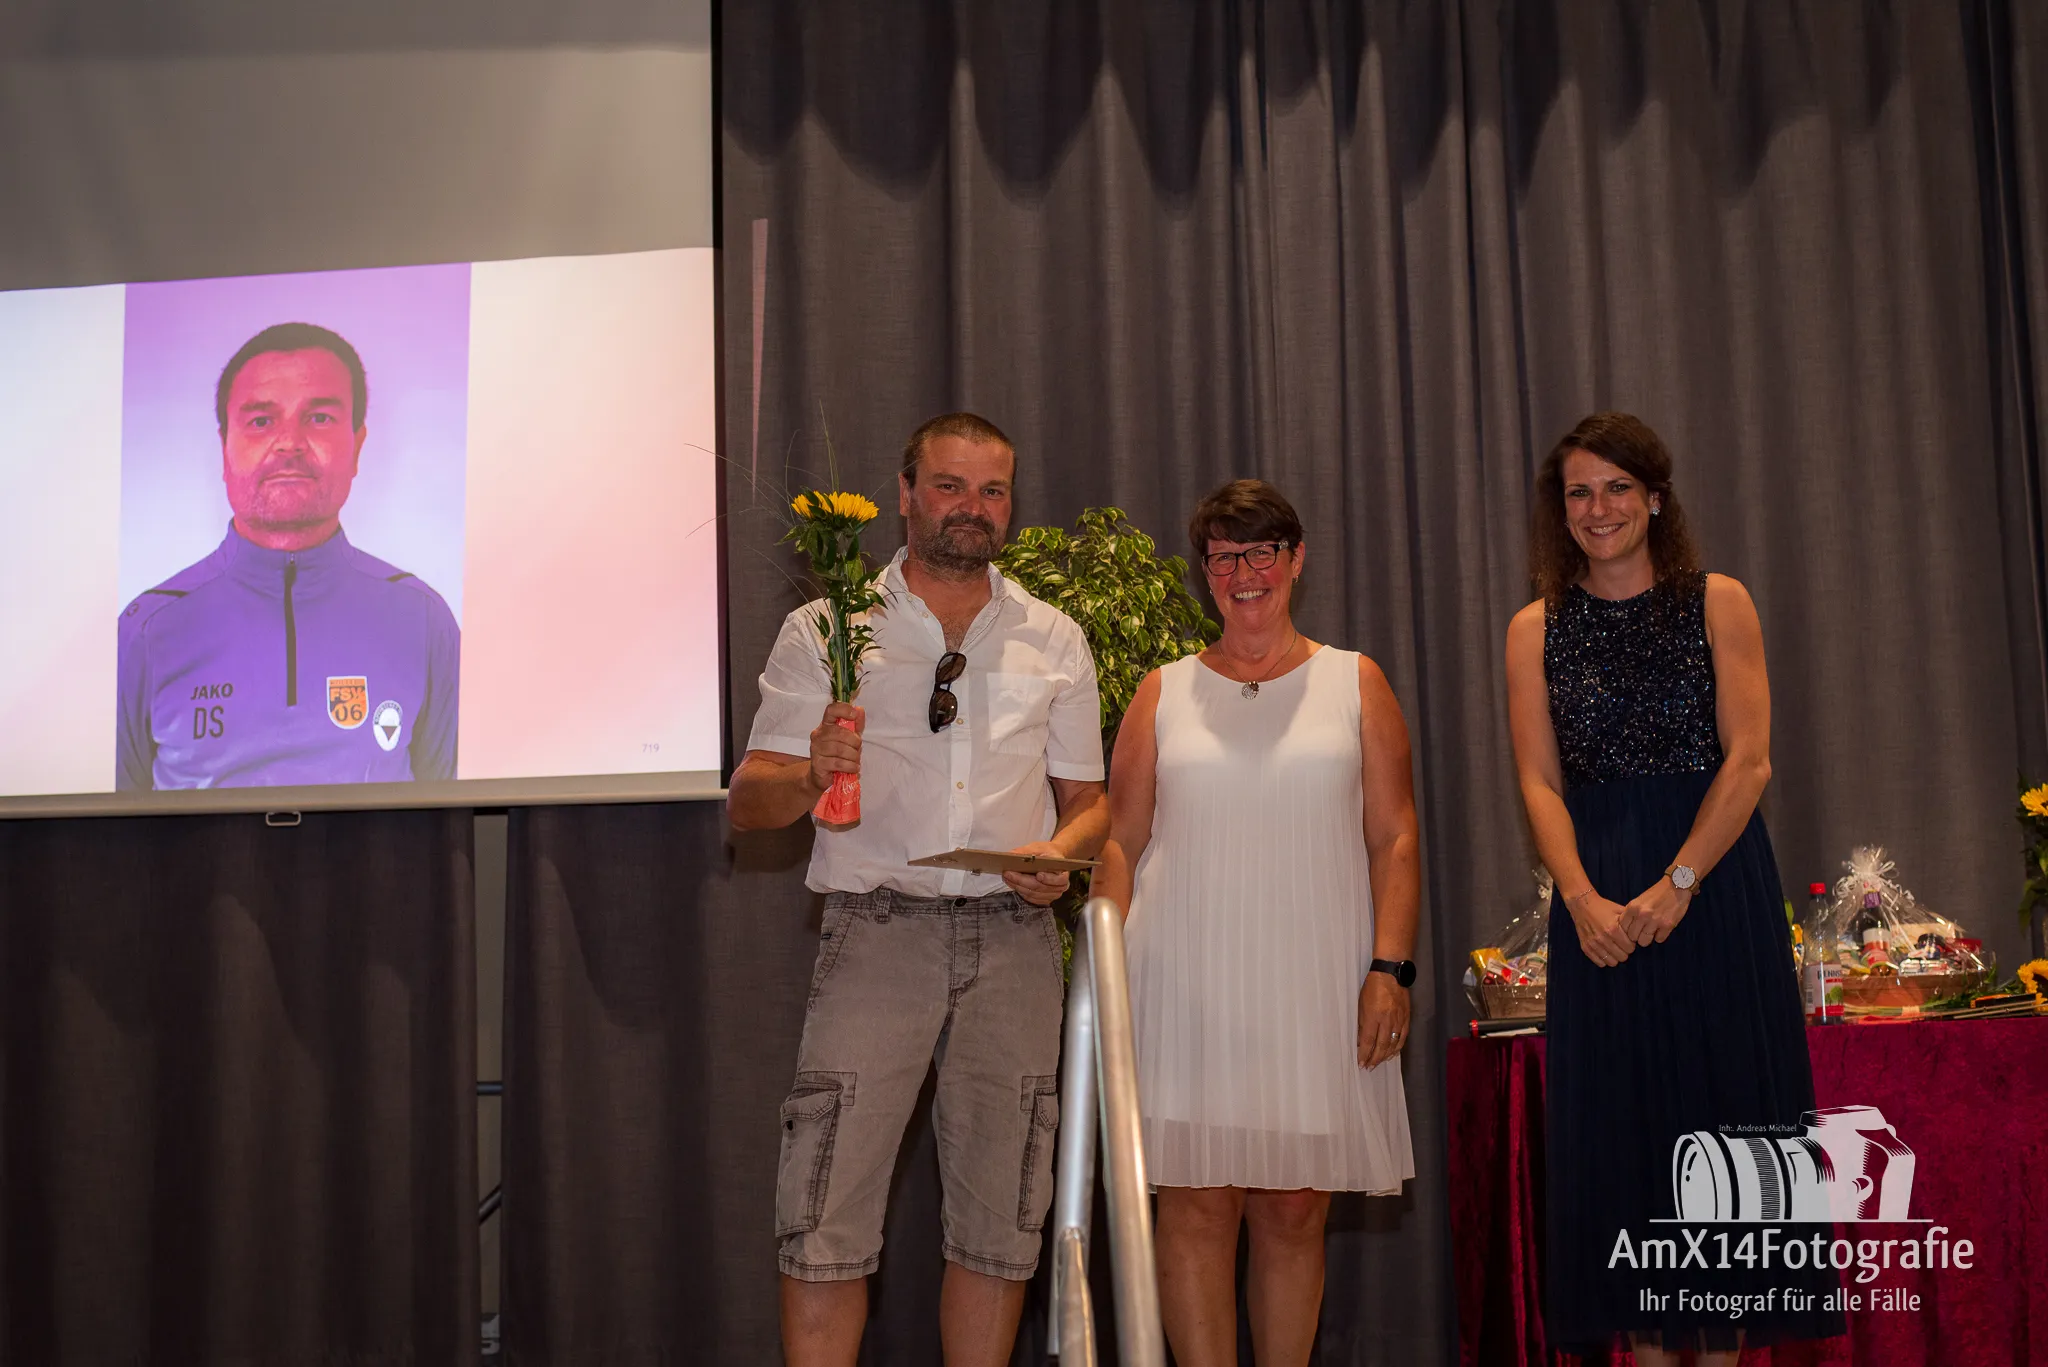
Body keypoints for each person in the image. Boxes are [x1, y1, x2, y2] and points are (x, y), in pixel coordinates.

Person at [728, 412, 1109, 1367]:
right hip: (876, 935)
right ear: (904, 494)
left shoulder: (1054, 637)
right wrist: (810, 770)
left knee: (1001, 1219)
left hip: (1016, 943)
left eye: (992, 490)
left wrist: (1057, 854)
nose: (971, 507)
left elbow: (1092, 805)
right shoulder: (828, 627)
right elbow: (749, 803)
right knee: (825, 1207)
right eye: (950, 485)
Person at [1503, 413, 1843, 1362]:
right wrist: (1581, 899)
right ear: (1560, 509)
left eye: (1618, 487)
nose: (1598, 508)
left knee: (1724, 1136)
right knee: (1626, 1148)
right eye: (1579, 491)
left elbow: (1750, 760)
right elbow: (1538, 781)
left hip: (1714, 893)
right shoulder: (1533, 629)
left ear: (1655, 498)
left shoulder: (1717, 601)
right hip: (1599, 909)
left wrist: (1680, 881)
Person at [1094, 479, 1419, 1367]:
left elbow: (1394, 837)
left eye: (1262, 551)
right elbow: (1120, 841)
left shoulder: (1356, 681)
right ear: (1205, 572)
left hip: (1313, 984)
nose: (1244, 573)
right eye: (1224, 556)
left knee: (1294, 1205)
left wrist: (1390, 968)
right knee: (1195, 1201)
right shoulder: (1161, 692)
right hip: (1184, 986)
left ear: (1296, 559)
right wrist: (1105, 976)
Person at [116, 322, 460, 789]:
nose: (289, 443)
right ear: (224, 449)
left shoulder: (423, 621)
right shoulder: (146, 631)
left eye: (319, 418)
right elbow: (113, 820)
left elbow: (446, 814)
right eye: (261, 421)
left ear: (357, 446)